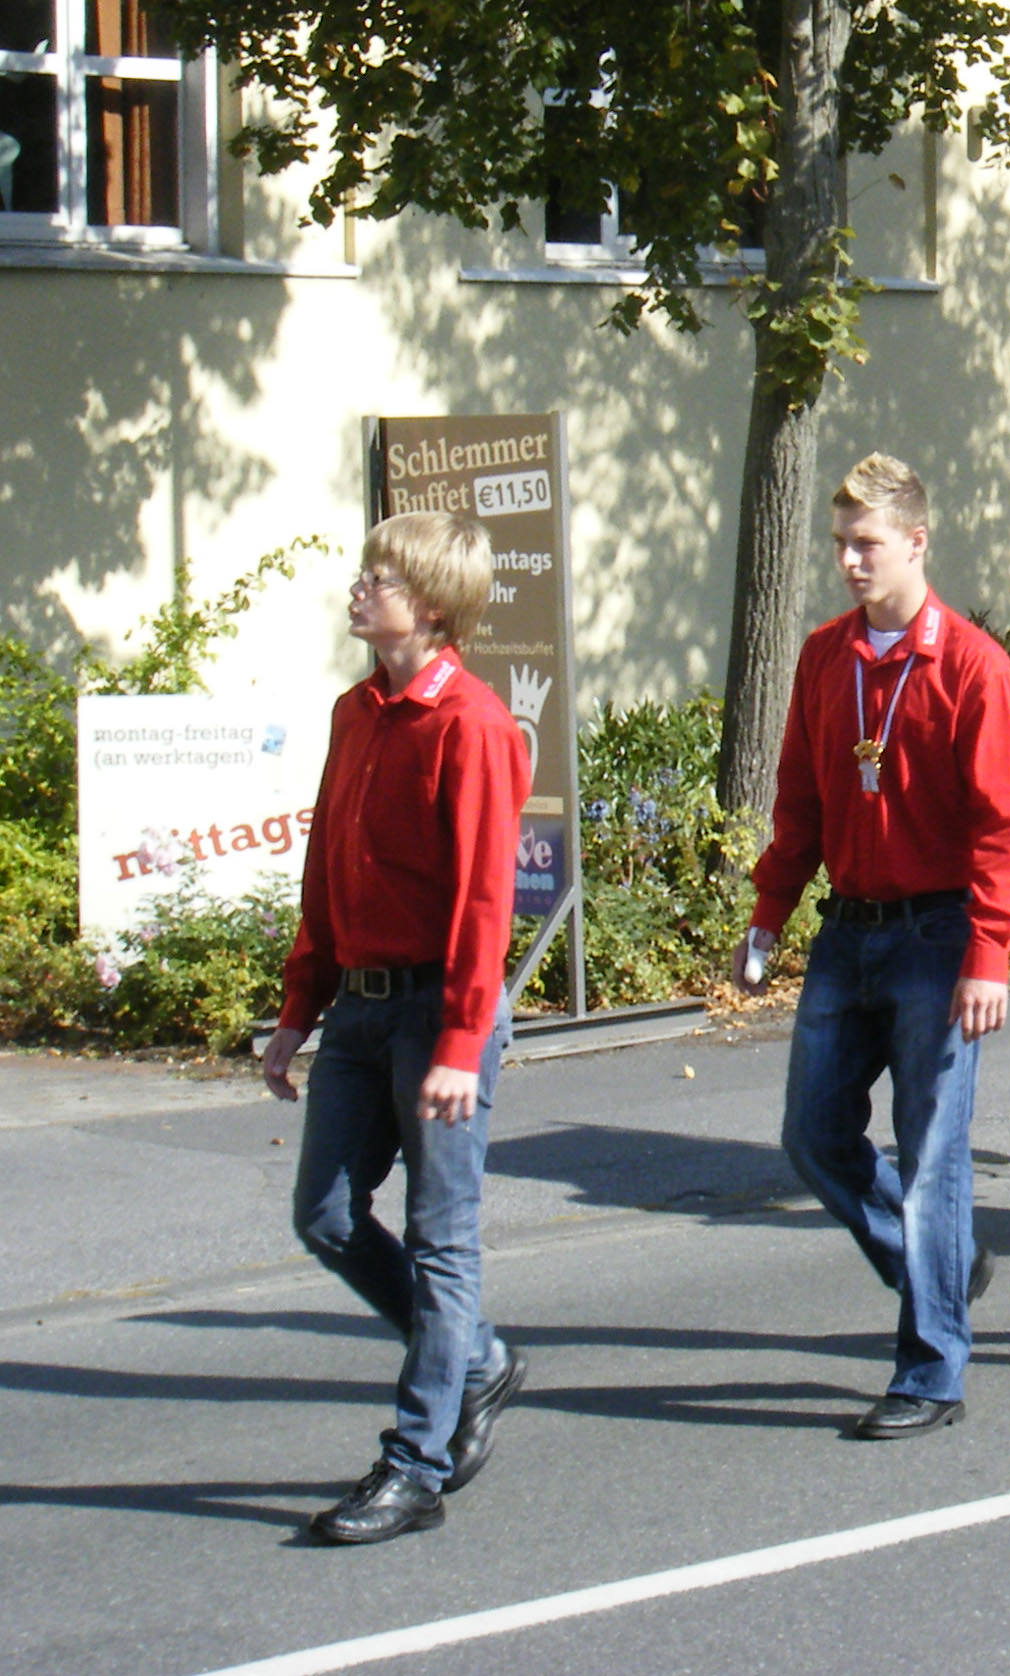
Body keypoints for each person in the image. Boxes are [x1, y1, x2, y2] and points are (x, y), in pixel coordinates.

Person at [736, 455, 1010, 1440]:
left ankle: (931, 1371)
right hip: (848, 930)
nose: (849, 561)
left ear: (915, 541)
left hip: (938, 936)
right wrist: (769, 911)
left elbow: (1003, 824)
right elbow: (800, 797)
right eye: (839, 544)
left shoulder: (971, 667)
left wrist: (989, 952)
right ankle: (935, 1264)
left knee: (932, 1155)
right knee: (811, 1136)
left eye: (866, 544)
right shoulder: (825, 657)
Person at [261, 511, 529, 1543]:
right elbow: (326, 867)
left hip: (437, 1011)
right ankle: (478, 1359)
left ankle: (416, 1466)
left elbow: (482, 905)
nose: (359, 589)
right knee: (325, 1215)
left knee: (440, 1236)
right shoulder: (356, 712)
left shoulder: (472, 724)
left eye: (378, 577)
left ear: (429, 602)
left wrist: (461, 1046)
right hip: (360, 1008)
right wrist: (299, 1009)